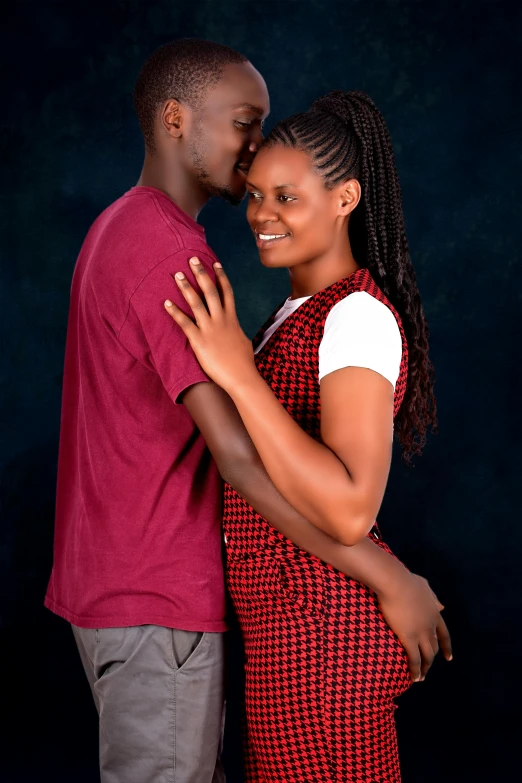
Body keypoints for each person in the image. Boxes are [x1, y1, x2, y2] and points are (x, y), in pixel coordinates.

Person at [45, 35, 449, 783]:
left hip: (268, 619)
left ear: (345, 199)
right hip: (163, 598)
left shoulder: (125, 229)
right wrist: (392, 577)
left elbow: (336, 491)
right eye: (243, 122)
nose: (254, 151)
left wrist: (384, 578)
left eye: (285, 191)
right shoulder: (171, 252)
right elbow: (236, 454)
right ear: (176, 119)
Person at [164, 90, 447, 782]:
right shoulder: (295, 314)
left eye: (287, 197)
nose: (262, 215)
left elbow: (351, 505)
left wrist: (238, 374)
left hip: (324, 643)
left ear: (346, 197)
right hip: (291, 635)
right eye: (258, 194)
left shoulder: (354, 317)